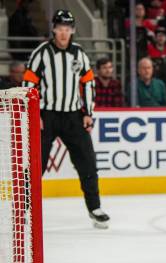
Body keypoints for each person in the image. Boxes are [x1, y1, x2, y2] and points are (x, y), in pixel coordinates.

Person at [23, 10, 109, 228]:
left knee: (87, 162)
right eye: (60, 28)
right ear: (53, 29)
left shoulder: (79, 54)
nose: (63, 33)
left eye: (67, 28)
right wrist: (33, 115)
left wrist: (88, 113)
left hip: (73, 116)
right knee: (35, 164)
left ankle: (94, 207)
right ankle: (24, 208)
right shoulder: (41, 53)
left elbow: (88, 83)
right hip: (46, 116)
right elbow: (28, 84)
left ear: (72, 30)